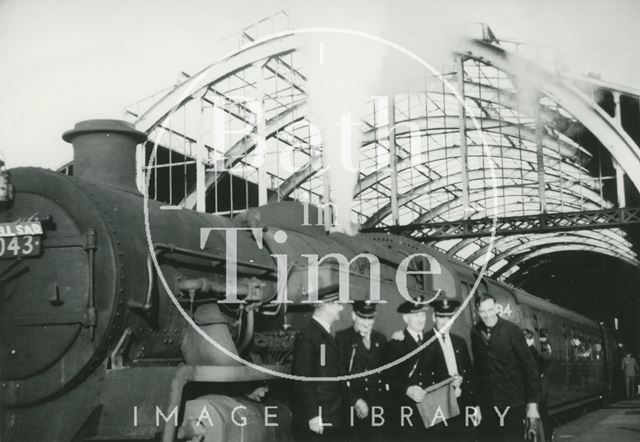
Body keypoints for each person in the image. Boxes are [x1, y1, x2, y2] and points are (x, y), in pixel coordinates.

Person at [471, 293, 541, 442]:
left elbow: (530, 368)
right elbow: (478, 371)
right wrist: (476, 404)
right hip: (488, 406)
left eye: (490, 310)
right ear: (477, 311)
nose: (487, 315)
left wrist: (532, 406)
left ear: (497, 308)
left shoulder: (512, 331)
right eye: (483, 311)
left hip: (513, 405)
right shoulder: (475, 333)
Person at [291, 288, 347, 441]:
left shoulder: (329, 335)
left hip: (332, 416)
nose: (341, 308)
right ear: (324, 305)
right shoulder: (308, 336)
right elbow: (303, 379)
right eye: (338, 303)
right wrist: (313, 415)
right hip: (317, 421)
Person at [422, 298, 478, 440]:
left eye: (449, 317)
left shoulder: (460, 342)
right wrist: (449, 382)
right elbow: (423, 379)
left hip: (462, 407)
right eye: (441, 316)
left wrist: (474, 406)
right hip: (439, 410)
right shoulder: (423, 343)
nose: (446, 321)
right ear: (434, 317)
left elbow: (470, 375)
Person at [335, 301, 389, 440]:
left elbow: (386, 372)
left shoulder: (381, 339)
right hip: (352, 407)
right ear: (354, 316)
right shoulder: (342, 339)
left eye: (370, 318)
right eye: (362, 318)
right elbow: (339, 375)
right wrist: (355, 400)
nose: (367, 323)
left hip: (377, 406)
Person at [385, 296, 430, 440]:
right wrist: (407, 390)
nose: (421, 319)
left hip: (429, 409)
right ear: (406, 319)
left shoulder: (430, 341)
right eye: (416, 315)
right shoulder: (396, 344)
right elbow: (389, 378)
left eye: (423, 315)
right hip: (407, 411)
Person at [524, 328, 552, 438]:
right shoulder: (536, 353)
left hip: (536, 391)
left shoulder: (531, 354)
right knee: (543, 417)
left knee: (537, 419)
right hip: (541, 390)